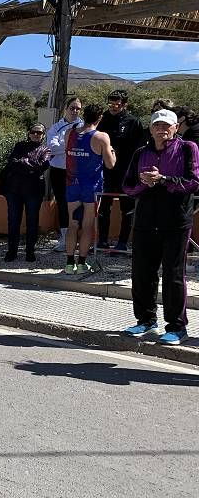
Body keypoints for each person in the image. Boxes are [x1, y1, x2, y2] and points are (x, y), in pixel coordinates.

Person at [122, 109, 199, 345]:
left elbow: (194, 182)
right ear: (151, 128)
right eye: (157, 125)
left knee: (173, 275)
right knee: (142, 273)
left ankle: (177, 327)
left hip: (175, 222)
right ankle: (145, 320)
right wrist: (144, 184)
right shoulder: (141, 152)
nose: (161, 129)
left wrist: (163, 180)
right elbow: (127, 185)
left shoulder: (188, 148)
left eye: (167, 125)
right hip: (146, 220)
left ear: (176, 127)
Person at [64, 104, 115, 274]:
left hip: (72, 184)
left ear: (84, 115)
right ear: (100, 118)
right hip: (91, 187)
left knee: (72, 224)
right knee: (87, 225)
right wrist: (112, 152)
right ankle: (81, 264)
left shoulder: (69, 133)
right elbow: (110, 164)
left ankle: (69, 264)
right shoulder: (101, 137)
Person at [96, 89, 143, 251]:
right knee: (103, 207)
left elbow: (139, 148)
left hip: (126, 172)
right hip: (105, 171)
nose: (113, 107)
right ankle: (101, 240)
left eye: (117, 104)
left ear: (124, 105)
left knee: (127, 208)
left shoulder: (133, 122)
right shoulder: (102, 120)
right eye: (110, 104)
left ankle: (122, 243)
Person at [0, 123, 52, 262]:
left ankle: (30, 251)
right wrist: (30, 166)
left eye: (39, 133)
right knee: (13, 221)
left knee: (32, 221)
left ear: (43, 135)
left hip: (34, 191)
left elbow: (43, 165)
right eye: (34, 132)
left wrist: (24, 162)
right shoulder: (19, 146)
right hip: (15, 189)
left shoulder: (45, 149)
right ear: (29, 133)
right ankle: (12, 251)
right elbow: (12, 161)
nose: (36, 134)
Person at [45, 98, 83, 252]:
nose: (75, 111)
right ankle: (64, 238)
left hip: (78, 171)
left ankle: (78, 238)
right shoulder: (56, 127)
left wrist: (65, 146)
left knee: (78, 204)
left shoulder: (84, 126)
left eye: (78, 108)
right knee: (62, 203)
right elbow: (51, 148)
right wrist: (71, 146)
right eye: (72, 108)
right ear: (65, 109)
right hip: (59, 171)